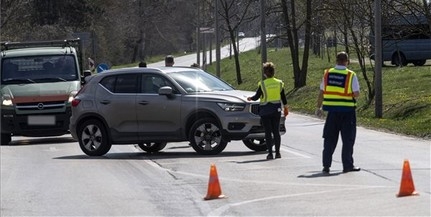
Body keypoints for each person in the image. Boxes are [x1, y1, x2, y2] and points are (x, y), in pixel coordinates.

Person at [315, 51, 360, 174]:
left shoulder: (327, 74)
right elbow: (356, 94)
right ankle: (347, 165)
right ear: (347, 61)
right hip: (347, 112)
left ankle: (326, 166)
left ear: (336, 60)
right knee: (348, 140)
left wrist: (318, 108)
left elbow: (321, 93)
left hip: (332, 113)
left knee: (329, 139)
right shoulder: (351, 75)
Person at [247, 62, 289, 160]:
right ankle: (278, 153)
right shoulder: (279, 83)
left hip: (265, 111)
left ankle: (270, 154)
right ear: (273, 72)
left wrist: (250, 98)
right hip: (276, 110)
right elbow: (283, 97)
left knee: (268, 133)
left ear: (265, 73)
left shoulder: (262, 84)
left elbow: (257, 96)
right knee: (276, 132)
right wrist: (286, 108)